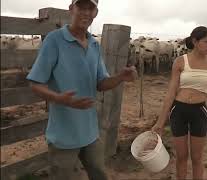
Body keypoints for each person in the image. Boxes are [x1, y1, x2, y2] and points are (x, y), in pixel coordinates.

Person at [26, 0, 137, 179]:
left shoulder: (94, 45)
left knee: (99, 174)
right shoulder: (55, 40)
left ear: (95, 13)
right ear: (71, 9)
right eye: (81, 7)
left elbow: (101, 83)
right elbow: (35, 83)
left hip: (90, 132)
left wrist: (120, 78)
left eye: (90, 8)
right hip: (63, 135)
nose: (85, 12)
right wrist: (60, 99)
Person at [152, 26, 207, 180]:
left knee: (197, 158)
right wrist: (160, 122)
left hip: (199, 112)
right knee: (181, 157)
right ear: (195, 41)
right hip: (178, 111)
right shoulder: (180, 62)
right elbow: (171, 93)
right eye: (206, 42)